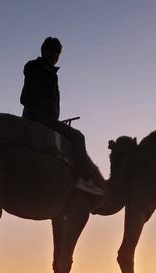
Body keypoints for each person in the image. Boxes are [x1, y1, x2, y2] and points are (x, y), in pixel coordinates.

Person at [21, 37, 104, 195]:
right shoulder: (38, 69)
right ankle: (84, 179)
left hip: (45, 119)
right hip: (39, 119)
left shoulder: (48, 72)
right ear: (44, 51)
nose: (55, 55)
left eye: (58, 52)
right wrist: (46, 117)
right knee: (78, 137)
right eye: (52, 50)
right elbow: (25, 98)